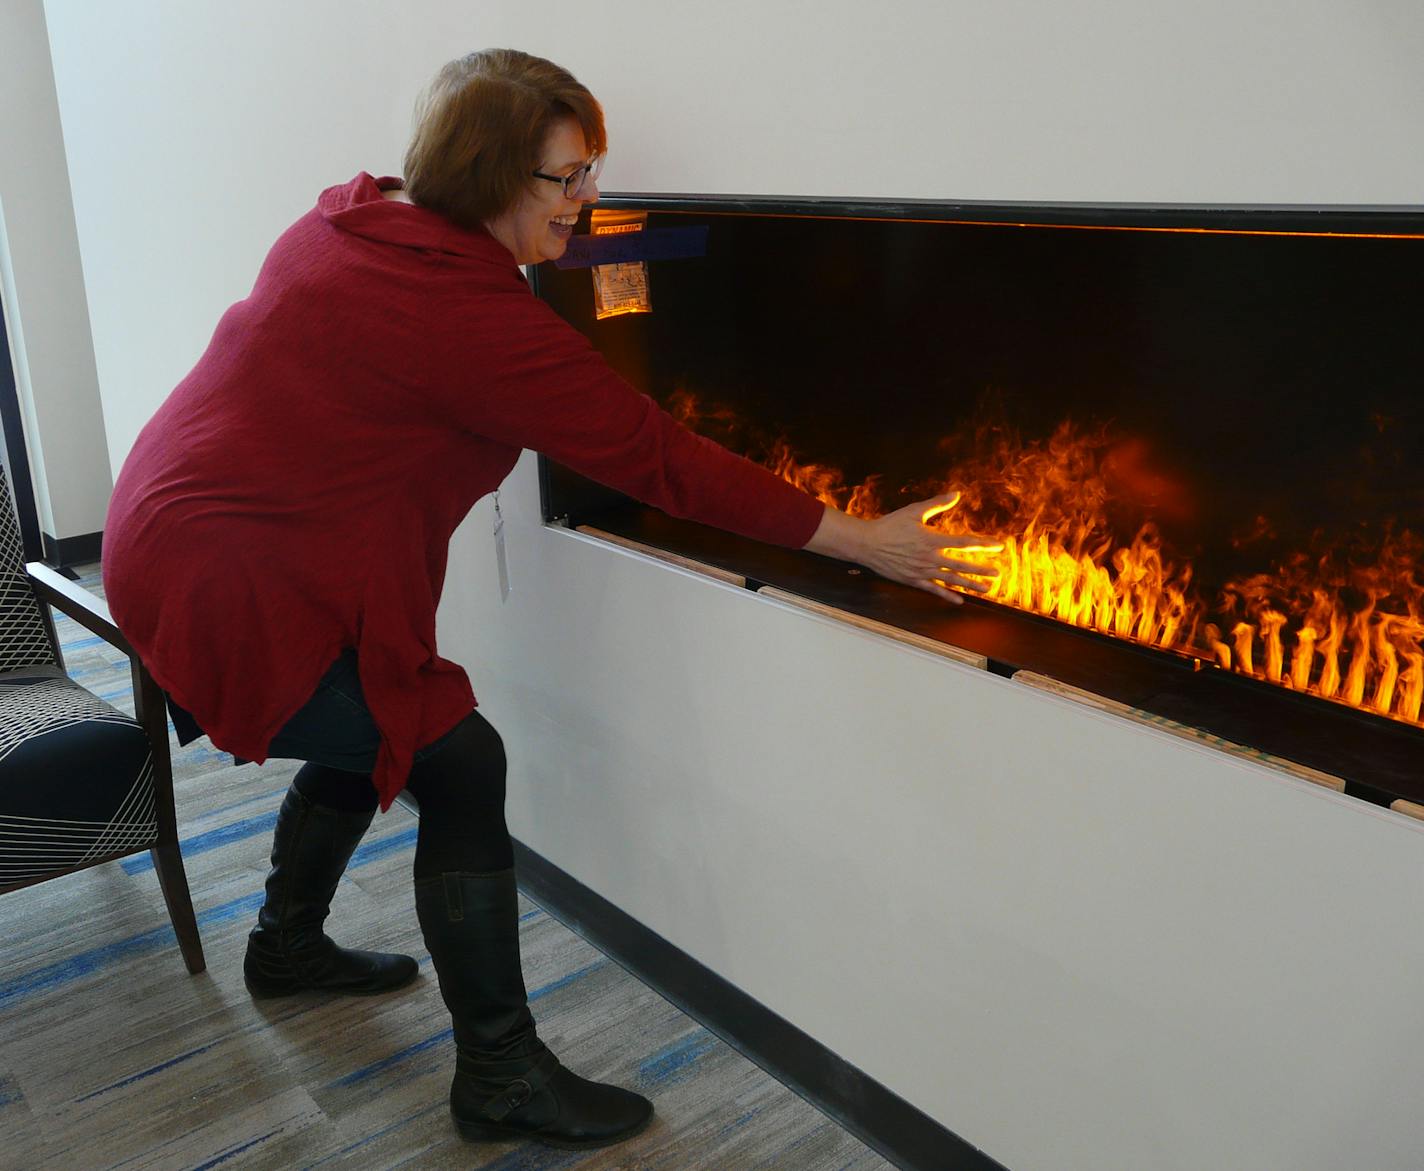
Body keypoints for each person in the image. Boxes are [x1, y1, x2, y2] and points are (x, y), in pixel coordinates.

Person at [101, 48, 993, 1151]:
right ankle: (500, 1075)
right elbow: (656, 458)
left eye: (590, 170)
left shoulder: (352, 218)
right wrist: (862, 540)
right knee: (458, 757)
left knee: (386, 717)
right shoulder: (465, 318)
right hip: (225, 577)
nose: (590, 199)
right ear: (484, 176)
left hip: (172, 519)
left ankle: (285, 946)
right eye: (563, 180)